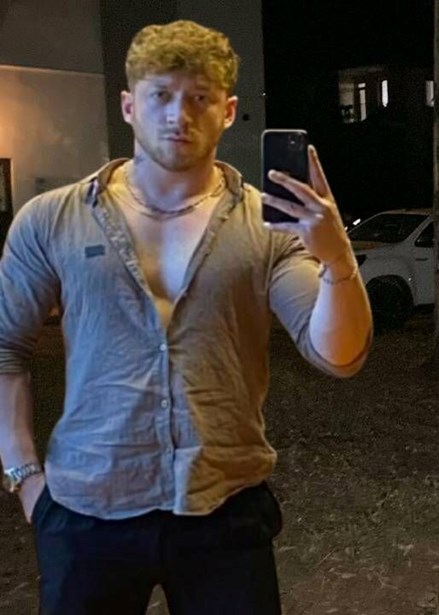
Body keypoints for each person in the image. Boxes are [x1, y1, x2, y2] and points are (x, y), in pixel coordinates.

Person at [0, 20, 372, 614]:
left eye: (199, 97)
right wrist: (26, 478)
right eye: (161, 95)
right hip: (86, 512)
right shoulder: (52, 219)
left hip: (224, 513)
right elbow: (6, 349)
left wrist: (336, 258)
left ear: (228, 112)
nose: (180, 114)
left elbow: (339, 355)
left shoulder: (269, 228)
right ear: (129, 106)